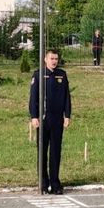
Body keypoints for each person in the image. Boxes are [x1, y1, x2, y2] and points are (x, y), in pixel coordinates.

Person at [28, 50, 71, 195]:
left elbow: (67, 97)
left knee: (55, 152)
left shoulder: (62, 75)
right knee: (42, 151)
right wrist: (34, 116)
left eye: (56, 59)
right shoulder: (39, 75)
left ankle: (55, 183)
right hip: (43, 118)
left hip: (57, 119)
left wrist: (67, 115)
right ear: (45, 59)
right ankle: (43, 183)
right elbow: (33, 97)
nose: (54, 61)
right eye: (51, 58)